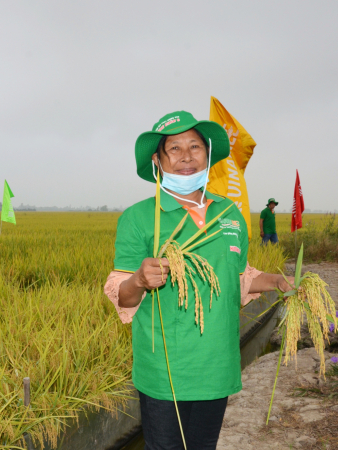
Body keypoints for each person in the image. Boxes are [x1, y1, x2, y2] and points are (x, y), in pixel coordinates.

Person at [103, 111, 293, 450]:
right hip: (166, 370)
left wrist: (277, 280)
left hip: (216, 365)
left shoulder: (229, 214)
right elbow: (123, 296)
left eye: (194, 146)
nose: (187, 156)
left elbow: (236, 279)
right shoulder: (139, 217)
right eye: (174, 148)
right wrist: (141, 280)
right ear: (157, 160)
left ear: (207, 154)